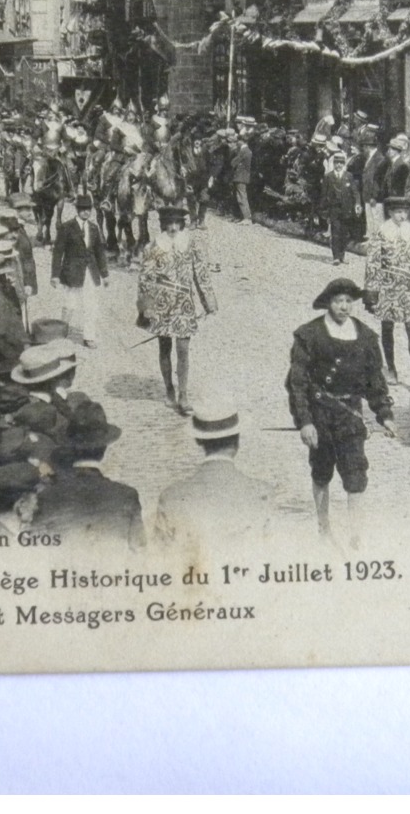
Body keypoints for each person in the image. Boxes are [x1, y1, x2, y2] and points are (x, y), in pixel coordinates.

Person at [286, 278, 399, 541]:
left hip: (350, 416)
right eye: (338, 301)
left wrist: (385, 415)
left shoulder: (367, 338)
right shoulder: (309, 335)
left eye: (349, 301)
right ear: (328, 303)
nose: (344, 307)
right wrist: (305, 421)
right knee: (322, 471)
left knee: (355, 473)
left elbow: (375, 381)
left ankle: (356, 534)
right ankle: (323, 527)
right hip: (320, 414)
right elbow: (297, 383)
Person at [153, 397, 277, 549]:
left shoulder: (171, 496)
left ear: (198, 440)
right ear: (237, 441)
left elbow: (159, 558)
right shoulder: (264, 494)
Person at [28, 399, 146, 550]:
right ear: (103, 448)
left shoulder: (47, 497)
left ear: (70, 447)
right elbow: (139, 550)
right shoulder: (127, 495)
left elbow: (34, 552)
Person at [137, 205, 217, 415]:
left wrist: (209, 303)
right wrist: (146, 308)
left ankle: (184, 394)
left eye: (176, 223)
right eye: (168, 223)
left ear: (181, 224)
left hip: (184, 304)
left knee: (183, 350)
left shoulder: (191, 244)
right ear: (163, 225)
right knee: (165, 349)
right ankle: (169, 389)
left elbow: (201, 273)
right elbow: (145, 278)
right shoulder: (153, 247)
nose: (172, 227)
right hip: (162, 305)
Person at [362, 196, 410, 386]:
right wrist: (371, 290)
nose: (402, 216)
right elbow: (373, 263)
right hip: (388, 288)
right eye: (398, 212)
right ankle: (391, 368)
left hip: (409, 290)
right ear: (390, 213)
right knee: (387, 328)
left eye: (405, 212)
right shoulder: (382, 233)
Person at [50, 193, 110, 349]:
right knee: (70, 304)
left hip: (90, 272)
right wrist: (55, 275)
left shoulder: (94, 228)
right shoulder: (66, 227)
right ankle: (61, 333)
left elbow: (99, 253)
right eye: (82, 209)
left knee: (91, 305)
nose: (85, 212)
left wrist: (105, 274)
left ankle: (89, 336)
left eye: (88, 209)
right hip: (72, 272)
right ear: (77, 210)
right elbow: (58, 252)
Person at [321, 150, 363, 266]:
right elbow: (324, 195)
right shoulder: (328, 177)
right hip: (334, 209)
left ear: (344, 164)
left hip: (347, 209)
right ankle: (335, 257)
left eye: (341, 163)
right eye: (336, 163)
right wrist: (324, 211)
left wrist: (357, 204)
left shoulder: (348, 176)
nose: (338, 165)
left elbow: (355, 192)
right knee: (335, 233)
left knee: (345, 234)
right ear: (333, 164)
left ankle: (342, 255)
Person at [228, 131, 254, 223]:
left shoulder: (244, 151)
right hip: (240, 176)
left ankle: (247, 217)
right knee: (239, 196)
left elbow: (233, 163)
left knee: (241, 197)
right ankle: (241, 216)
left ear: (242, 141)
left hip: (241, 177)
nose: (236, 142)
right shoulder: (245, 151)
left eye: (238, 140)